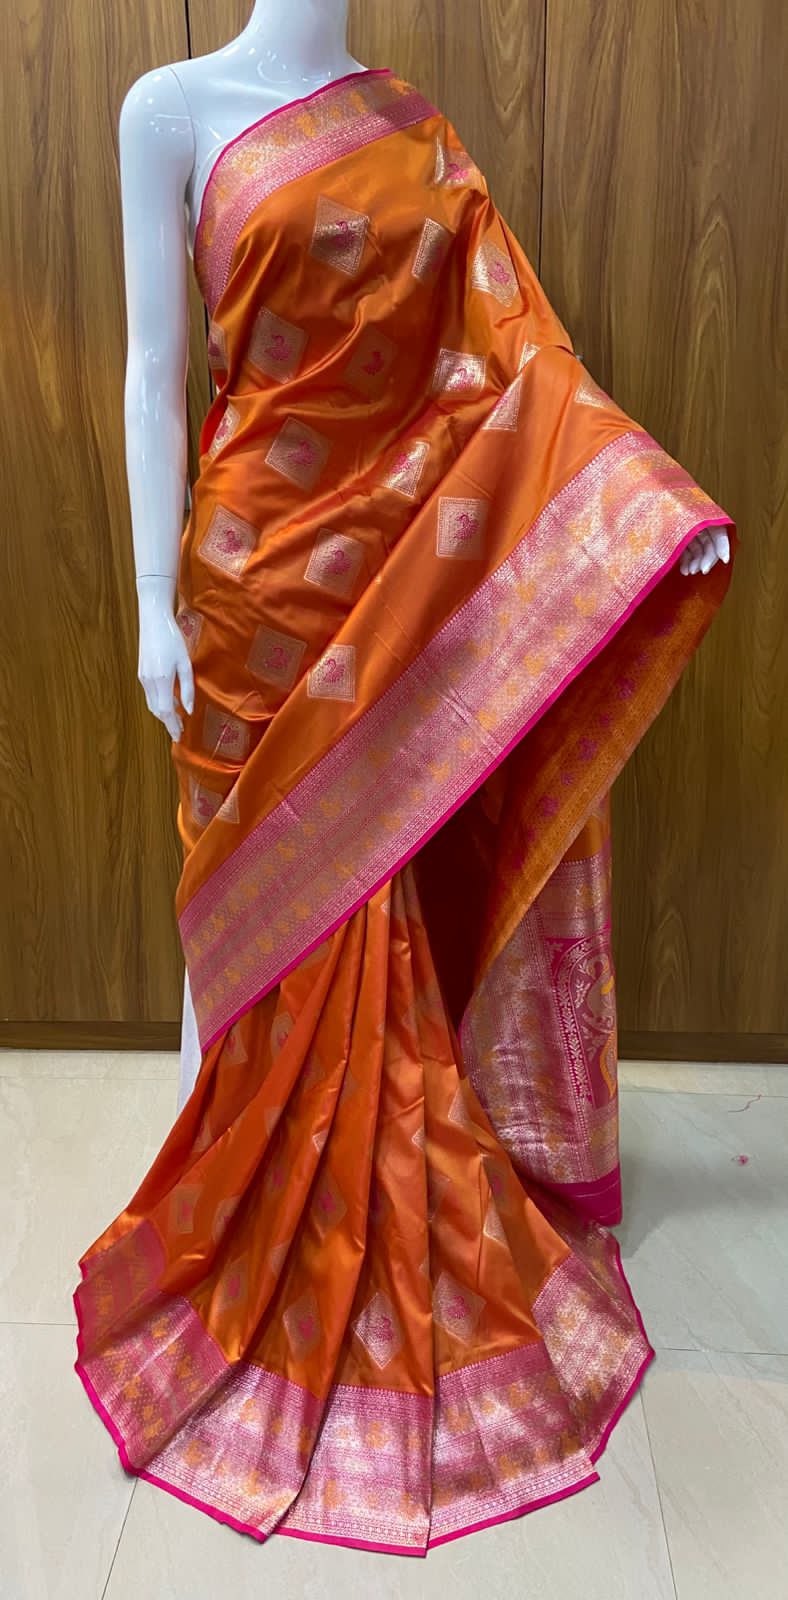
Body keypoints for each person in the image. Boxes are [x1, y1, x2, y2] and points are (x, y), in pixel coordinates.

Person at [74, 6, 736, 1557]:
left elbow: (528, 361)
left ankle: (279, 1206)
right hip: (247, 584)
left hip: (396, 598)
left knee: (360, 915)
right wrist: (155, 599)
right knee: (234, 904)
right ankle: (206, 1206)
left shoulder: (418, 133)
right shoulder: (167, 108)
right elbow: (152, 372)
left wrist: (638, 508)